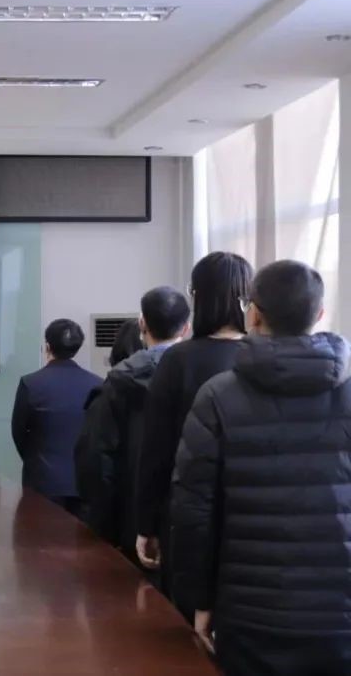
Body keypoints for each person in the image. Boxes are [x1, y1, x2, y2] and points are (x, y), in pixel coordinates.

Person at [172, 260, 351, 674]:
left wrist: (200, 598)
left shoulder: (217, 396)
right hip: (340, 614)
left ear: (253, 313)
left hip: (250, 614)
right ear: (320, 314)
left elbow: (192, 509)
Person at [134, 251, 253, 600]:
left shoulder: (178, 361)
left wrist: (146, 524)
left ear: (198, 298)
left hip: (189, 513)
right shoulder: (264, 357)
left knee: (188, 616)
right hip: (252, 515)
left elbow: (156, 450)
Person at [76, 287, 190, 567]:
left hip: (131, 523)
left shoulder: (117, 383)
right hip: (188, 520)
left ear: (142, 324)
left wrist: (104, 528)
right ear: (186, 328)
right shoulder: (205, 377)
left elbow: (98, 459)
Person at [11, 318, 101, 515]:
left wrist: (34, 459)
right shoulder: (97, 384)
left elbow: (18, 432)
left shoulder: (30, 383)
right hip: (84, 483)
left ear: (47, 346)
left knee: (40, 533)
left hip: (42, 482)